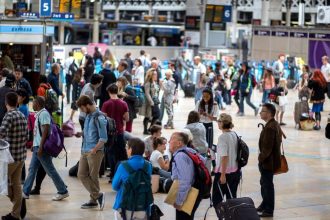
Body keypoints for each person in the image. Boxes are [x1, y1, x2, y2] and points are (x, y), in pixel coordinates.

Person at [23, 96, 69, 201]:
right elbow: (38, 132)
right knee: (32, 169)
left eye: (34, 103)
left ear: (38, 104)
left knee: (50, 170)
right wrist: (35, 145)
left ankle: (63, 191)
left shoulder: (43, 114)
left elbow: (45, 131)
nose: (32, 105)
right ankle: (25, 192)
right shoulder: (39, 114)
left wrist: (40, 147)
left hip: (41, 148)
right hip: (37, 147)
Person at [75, 95, 107, 210]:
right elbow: (88, 131)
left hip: (95, 151)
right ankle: (98, 195)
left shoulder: (100, 118)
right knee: (81, 174)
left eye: (82, 108)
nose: (82, 111)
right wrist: (81, 133)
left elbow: (104, 138)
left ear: (88, 105)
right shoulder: (88, 116)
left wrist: (94, 149)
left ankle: (93, 200)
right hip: (85, 149)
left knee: (93, 176)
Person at [0, 92, 28, 220]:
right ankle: (17, 211)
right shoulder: (22, 115)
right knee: (16, 184)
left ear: (6, 103)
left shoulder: (8, 116)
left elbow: (1, 134)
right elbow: (27, 137)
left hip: (10, 158)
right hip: (21, 156)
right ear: (17, 102)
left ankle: (19, 203)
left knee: (3, 182)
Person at [112, 138, 152, 220]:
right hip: (143, 206)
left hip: (124, 206)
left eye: (127, 147)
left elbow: (115, 186)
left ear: (131, 149)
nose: (126, 149)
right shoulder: (148, 165)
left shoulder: (123, 165)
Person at [169, 132, 203, 220]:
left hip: (188, 194)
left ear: (179, 143)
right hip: (195, 190)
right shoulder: (191, 151)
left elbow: (185, 180)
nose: (169, 141)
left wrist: (180, 201)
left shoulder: (180, 156)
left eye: (172, 139)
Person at [257, 103, 283, 217]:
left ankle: (268, 209)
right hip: (270, 161)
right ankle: (264, 203)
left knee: (267, 185)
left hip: (268, 162)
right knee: (264, 183)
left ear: (269, 113)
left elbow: (267, 148)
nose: (260, 113)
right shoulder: (274, 124)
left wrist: (260, 159)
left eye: (262, 111)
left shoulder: (270, 127)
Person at [212, 113, 241, 208]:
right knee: (231, 199)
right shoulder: (234, 134)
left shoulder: (223, 137)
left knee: (217, 199)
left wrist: (223, 175)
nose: (218, 123)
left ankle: (223, 217)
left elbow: (224, 157)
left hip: (224, 172)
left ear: (223, 123)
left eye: (219, 121)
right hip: (235, 171)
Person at [101, 83, 129, 180]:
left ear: (109, 92)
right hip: (120, 131)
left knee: (111, 153)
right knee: (121, 153)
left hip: (109, 133)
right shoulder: (123, 104)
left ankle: (113, 173)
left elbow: (103, 120)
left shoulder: (106, 104)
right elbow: (127, 118)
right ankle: (122, 173)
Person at [195, 88, 219, 172]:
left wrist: (207, 115)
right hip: (200, 125)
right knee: (200, 145)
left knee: (209, 146)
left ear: (211, 96)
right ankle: (202, 165)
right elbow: (195, 116)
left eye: (207, 96)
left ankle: (214, 166)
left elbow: (216, 118)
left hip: (209, 126)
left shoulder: (215, 104)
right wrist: (199, 113)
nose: (205, 98)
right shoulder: (199, 103)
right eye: (203, 96)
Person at [140, 68, 160, 134]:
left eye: (156, 74)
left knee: (156, 115)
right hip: (150, 103)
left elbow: (157, 92)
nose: (156, 75)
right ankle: (145, 130)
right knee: (148, 116)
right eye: (154, 74)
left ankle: (149, 129)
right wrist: (151, 102)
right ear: (151, 75)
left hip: (155, 102)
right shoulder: (148, 83)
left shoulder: (155, 82)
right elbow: (147, 93)